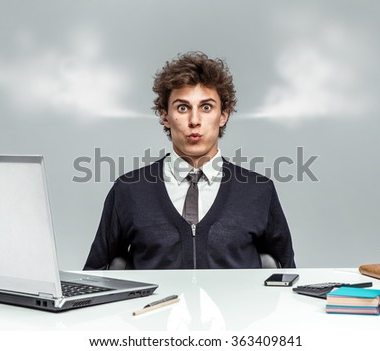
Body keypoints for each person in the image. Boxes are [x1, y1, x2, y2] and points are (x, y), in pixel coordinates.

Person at [84, 51, 295, 270]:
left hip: (240, 305)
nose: (194, 121)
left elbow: (287, 275)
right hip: (155, 306)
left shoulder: (259, 191)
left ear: (223, 115)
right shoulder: (128, 190)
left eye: (206, 107)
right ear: (165, 116)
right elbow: (96, 276)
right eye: (183, 108)